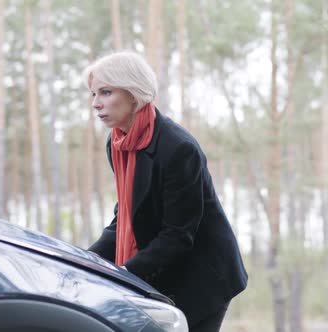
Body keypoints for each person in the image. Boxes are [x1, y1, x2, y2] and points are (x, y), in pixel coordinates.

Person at [84, 51, 248, 332]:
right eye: (93, 94)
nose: (96, 104)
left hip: (203, 275)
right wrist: (86, 261)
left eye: (106, 92)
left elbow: (178, 235)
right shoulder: (118, 144)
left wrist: (123, 274)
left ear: (133, 93)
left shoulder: (178, 148)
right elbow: (125, 215)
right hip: (164, 265)